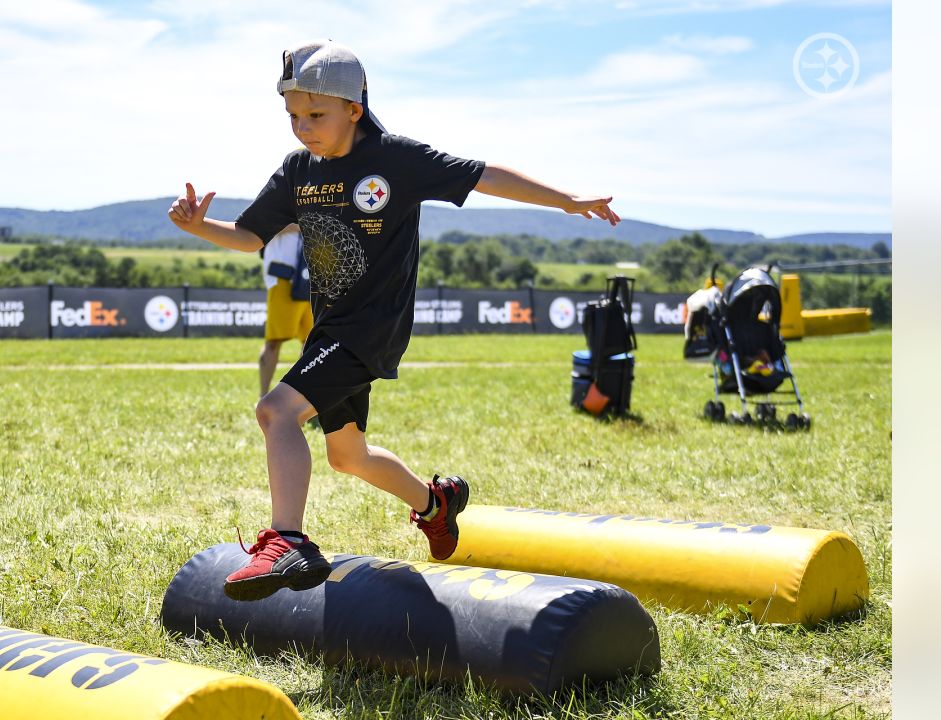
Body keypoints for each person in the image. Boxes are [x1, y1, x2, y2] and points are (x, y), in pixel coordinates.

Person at [167, 40, 620, 602]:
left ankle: (287, 541)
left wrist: (567, 199)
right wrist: (198, 227)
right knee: (347, 455)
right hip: (329, 329)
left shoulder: (394, 160)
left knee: (275, 410)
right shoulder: (297, 171)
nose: (301, 128)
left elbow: (482, 175)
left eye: (315, 115)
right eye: (292, 117)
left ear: (353, 109)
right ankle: (435, 503)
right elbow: (249, 236)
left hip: (372, 326)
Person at [259, 223, 314, 398]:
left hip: (314, 278)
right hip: (284, 279)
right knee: (273, 341)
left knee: (311, 344)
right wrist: (305, 223)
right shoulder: (277, 196)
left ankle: (303, 399)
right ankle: (263, 397)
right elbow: (263, 226)